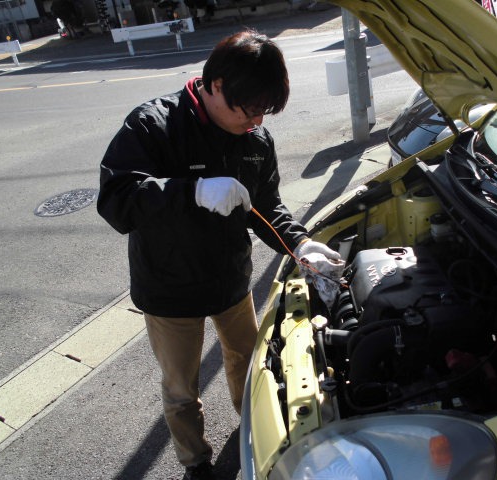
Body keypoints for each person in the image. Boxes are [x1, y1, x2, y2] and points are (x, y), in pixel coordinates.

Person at [97, 30, 340, 480]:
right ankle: (196, 463)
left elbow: (266, 207)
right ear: (216, 85)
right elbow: (116, 199)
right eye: (248, 110)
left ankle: (254, 430)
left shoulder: (255, 140)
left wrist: (301, 245)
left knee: (250, 367)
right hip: (169, 288)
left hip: (230, 280)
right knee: (180, 389)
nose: (255, 121)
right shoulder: (154, 125)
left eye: (263, 112)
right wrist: (192, 192)